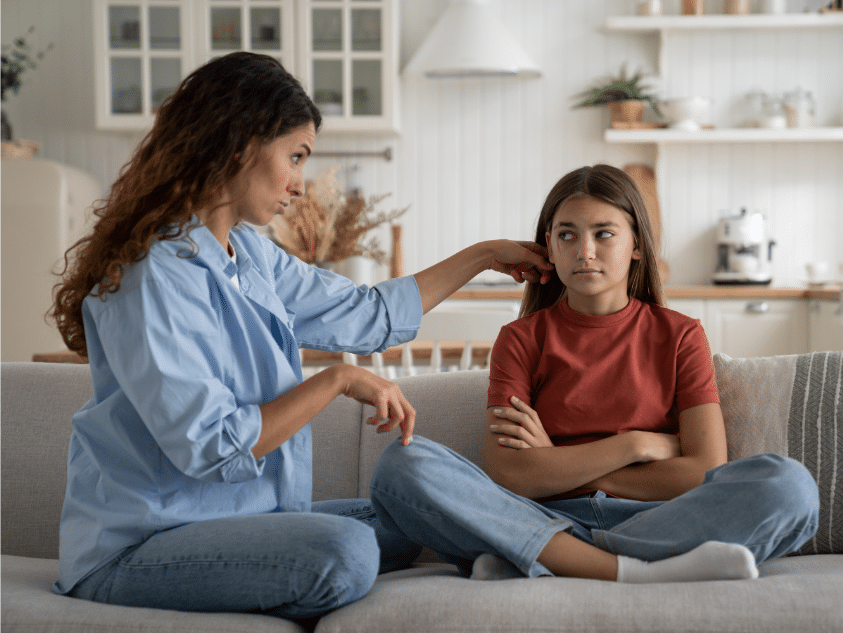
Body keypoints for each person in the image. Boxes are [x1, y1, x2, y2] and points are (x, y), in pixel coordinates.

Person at [49, 51, 552, 622]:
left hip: (242, 523)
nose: (299, 185)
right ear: (240, 143)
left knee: (405, 516)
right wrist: (335, 379)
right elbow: (212, 445)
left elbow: (366, 315)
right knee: (347, 550)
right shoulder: (151, 275)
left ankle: (558, 548)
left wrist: (486, 255)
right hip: (143, 544)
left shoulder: (251, 253)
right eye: (295, 157)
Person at [370, 164, 820, 584]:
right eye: (567, 235)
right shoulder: (521, 338)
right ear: (549, 246)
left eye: (604, 234)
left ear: (637, 245)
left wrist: (562, 466)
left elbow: (701, 470)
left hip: (653, 519)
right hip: (543, 516)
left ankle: (547, 558)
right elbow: (511, 475)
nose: (584, 252)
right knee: (403, 466)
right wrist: (635, 445)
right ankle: (635, 570)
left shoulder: (681, 335)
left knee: (790, 486)